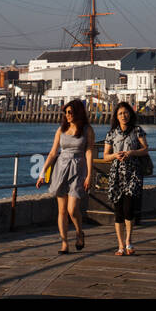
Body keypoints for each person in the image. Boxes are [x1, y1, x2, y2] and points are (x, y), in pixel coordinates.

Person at [38, 98, 94, 254]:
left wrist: (90, 174)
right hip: (61, 168)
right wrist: (42, 173)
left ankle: (79, 232)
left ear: (77, 112)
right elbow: (52, 152)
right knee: (61, 210)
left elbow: (89, 151)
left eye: (70, 112)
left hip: (78, 168)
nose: (67, 115)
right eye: (66, 112)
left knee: (72, 209)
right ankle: (64, 243)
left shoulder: (87, 130)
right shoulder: (61, 130)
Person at [103, 101, 149, 256]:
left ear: (130, 114)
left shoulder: (137, 131)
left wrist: (131, 153)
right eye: (121, 113)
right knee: (118, 211)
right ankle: (120, 245)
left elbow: (145, 149)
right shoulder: (111, 133)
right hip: (116, 174)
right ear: (116, 116)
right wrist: (115, 155)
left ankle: (129, 241)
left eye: (126, 113)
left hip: (133, 173)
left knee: (129, 208)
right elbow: (105, 156)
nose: (124, 116)